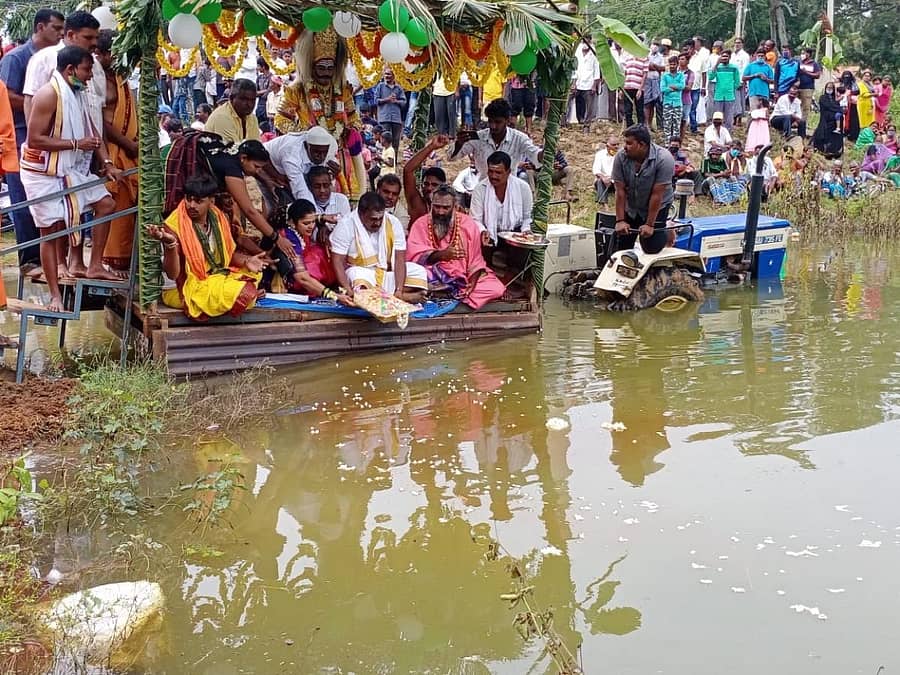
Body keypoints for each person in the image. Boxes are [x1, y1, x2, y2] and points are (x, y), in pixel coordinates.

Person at [20, 46, 124, 312]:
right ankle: (55, 295)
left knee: (106, 203)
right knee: (50, 232)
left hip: (71, 169)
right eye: (87, 70)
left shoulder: (78, 92)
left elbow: (93, 133)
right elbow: (34, 139)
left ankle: (95, 265)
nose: (90, 76)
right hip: (43, 172)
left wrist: (108, 163)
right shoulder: (48, 95)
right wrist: (76, 144)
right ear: (70, 70)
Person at [149, 174, 267, 319]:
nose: (191, 205)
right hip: (182, 288)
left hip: (211, 279)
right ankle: (241, 295)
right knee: (239, 292)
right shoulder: (173, 226)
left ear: (211, 201)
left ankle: (240, 294)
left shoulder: (218, 219)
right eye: (188, 199)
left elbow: (226, 256)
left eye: (198, 201)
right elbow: (173, 275)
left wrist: (247, 261)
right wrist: (170, 245)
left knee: (255, 274)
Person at [0, 7, 65, 270]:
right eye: (56, 29)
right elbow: (5, 95)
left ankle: (52, 259)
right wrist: (40, 101)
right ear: (39, 28)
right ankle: (29, 259)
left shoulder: (58, 57)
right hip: (20, 135)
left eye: (63, 30)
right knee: (24, 198)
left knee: (50, 198)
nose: (61, 34)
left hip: (50, 138)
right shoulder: (16, 58)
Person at [406, 184, 505, 309]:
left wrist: (472, 283)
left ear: (454, 207)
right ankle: (447, 293)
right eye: (436, 207)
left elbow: (476, 260)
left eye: (445, 208)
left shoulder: (468, 224)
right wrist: (441, 255)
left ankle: (443, 294)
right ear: (431, 204)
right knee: (413, 277)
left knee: (496, 288)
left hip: (461, 279)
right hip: (431, 276)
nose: (440, 212)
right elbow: (413, 257)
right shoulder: (420, 224)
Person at [330, 191, 427, 302]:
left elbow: (399, 259)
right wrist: (347, 290)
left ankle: (386, 297)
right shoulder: (345, 225)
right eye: (373, 219)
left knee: (419, 272)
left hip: (387, 274)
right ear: (361, 214)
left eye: (380, 218)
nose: (378, 223)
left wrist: (399, 290)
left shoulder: (393, 222)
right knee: (355, 276)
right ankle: (403, 297)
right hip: (362, 274)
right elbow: (337, 261)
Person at [97, 29, 138, 271]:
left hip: (130, 152)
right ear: (101, 54)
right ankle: (111, 264)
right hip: (113, 152)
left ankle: (128, 264)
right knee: (115, 207)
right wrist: (127, 144)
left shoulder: (121, 78)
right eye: (116, 53)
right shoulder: (98, 80)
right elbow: (100, 122)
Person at [271, 198, 350, 303]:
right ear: (292, 222)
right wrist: (335, 296)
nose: (311, 226)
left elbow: (310, 218)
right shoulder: (290, 241)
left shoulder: (297, 227)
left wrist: (322, 218)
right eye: (306, 223)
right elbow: (303, 279)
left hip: (303, 262)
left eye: (313, 222)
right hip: (293, 279)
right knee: (314, 266)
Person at [611, 124, 674, 254]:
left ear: (642, 145)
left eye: (629, 143)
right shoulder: (620, 157)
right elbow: (620, 191)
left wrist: (650, 224)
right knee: (618, 248)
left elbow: (657, 195)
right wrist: (620, 220)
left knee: (651, 247)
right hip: (633, 205)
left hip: (658, 205)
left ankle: (667, 228)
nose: (624, 147)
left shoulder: (664, 159)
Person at [453, 98, 542, 177]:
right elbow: (451, 158)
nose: (493, 126)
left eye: (498, 122)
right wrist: (459, 144)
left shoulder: (519, 138)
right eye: (490, 121)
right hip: (483, 189)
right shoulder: (478, 137)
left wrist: (547, 152)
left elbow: (535, 155)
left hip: (510, 190)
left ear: (507, 121)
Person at [262, 125, 338, 205]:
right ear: (306, 145)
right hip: (265, 164)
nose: (321, 157)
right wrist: (316, 215)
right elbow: (300, 191)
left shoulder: (328, 148)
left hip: (288, 172)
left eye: (324, 152)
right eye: (317, 152)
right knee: (278, 203)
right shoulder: (292, 154)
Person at [469, 151, 533, 245]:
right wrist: (482, 231)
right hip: (488, 233)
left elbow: (527, 217)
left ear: (508, 172)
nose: (493, 176)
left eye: (498, 172)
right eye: (491, 171)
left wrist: (526, 230)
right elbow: (475, 219)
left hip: (516, 235)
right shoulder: (480, 189)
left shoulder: (523, 187)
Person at [404, 134, 449, 223]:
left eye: (434, 185)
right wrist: (431, 147)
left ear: (443, 187)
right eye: (426, 184)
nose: (429, 188)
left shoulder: (451, 209)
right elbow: (408, 170)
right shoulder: (417, 204)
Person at [203, 78, 259, 144]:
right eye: (244, 99)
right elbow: (234, 152)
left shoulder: (252, 117)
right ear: (231, 98)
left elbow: (256, 147)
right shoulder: (221, 117)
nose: (249, 104)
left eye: (252, 100)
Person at [571, 36, 601, 130]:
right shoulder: (577, 51)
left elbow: (596, 70)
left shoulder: (594, 53)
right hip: (578, 81)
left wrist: (594, 85)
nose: (585, 44)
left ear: (590, 42)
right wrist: (574, 82)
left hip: (589, 83)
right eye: (583, 41)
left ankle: (587, 124)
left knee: (589, 106)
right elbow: (575, 68)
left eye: (587, 42)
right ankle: (579, 120)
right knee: (577, 102)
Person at [373, 68, 405, 154]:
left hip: (396, 118)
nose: (387, 76)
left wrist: (396, 101)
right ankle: (384, 161)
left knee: (395, 142)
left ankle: (393, 163)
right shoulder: (380, 86)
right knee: (384, 141)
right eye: (385, 74)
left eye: (389, 74)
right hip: (384, 118)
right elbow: (375, 101)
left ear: (394, 76)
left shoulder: (398, 88)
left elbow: (404, 102)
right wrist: (387, 99)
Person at [708, 50, 741, 131]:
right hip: (718, 95)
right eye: (723, 56)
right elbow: (710, 77)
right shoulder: (718, 67)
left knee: (729, 118)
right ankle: (717, 133)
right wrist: (716, 64)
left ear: (729, 57)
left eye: (726, 56)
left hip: (729, 96)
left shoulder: (734, 68)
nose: (724, 58)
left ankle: (727, 134)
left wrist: (731, 88)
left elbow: (737, 82)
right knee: (718, 117)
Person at [812, 82, 843, 158]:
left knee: (840, 117)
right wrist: (838, 108)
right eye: (828, 88)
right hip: (825, 117)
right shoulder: (822, 97)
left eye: (831, 88)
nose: (829, 89)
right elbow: (829, 106)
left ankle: (836, 149)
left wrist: (839, 109)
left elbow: (836, 106)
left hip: (834, 117)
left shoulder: (833, 99)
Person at [660, 56, 685, 143]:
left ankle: (675, 146)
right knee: (667, 125)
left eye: (674, 64)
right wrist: (674, 88)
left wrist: (671, 86)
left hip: (678, 104)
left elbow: (682, 86)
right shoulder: (665, 76)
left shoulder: (681, 75)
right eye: (670, 64)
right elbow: (663, 89)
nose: (672, 66)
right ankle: (667, 144)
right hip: (667, 103)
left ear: (677, 65)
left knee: (676, 126)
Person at [621, 51, 647, 128]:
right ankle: (629, 129)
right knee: (628, 110)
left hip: (638, 87)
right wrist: (622, 88)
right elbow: (624, 73)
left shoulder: (644, 57)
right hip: (627, 86)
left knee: (639, 110)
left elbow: (645, 74)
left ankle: (640, 129)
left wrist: (640, 89)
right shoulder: (627, 55)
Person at [797, 47, 821, 122]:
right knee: (797, 105)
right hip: (796, 88)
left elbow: (817, 75)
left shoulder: (814, 64)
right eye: (801, 53)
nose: (802, 55)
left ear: (809, 54)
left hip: (808, 88)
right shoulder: (799, 62)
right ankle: (796, 122)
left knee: (806, 107)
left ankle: (803, 124)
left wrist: (806, 72)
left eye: (804, 53)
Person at [593, 136, 619, 205]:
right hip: (603, 181)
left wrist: (613, 178)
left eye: (617, 144)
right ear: (607, 146)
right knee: (599, 181)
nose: (616, 147)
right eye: (614, 145)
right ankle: (604, 204)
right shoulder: (600, 155)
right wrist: (604, 178)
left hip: (615, 181)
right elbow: (596, 170)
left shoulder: (620, 155)